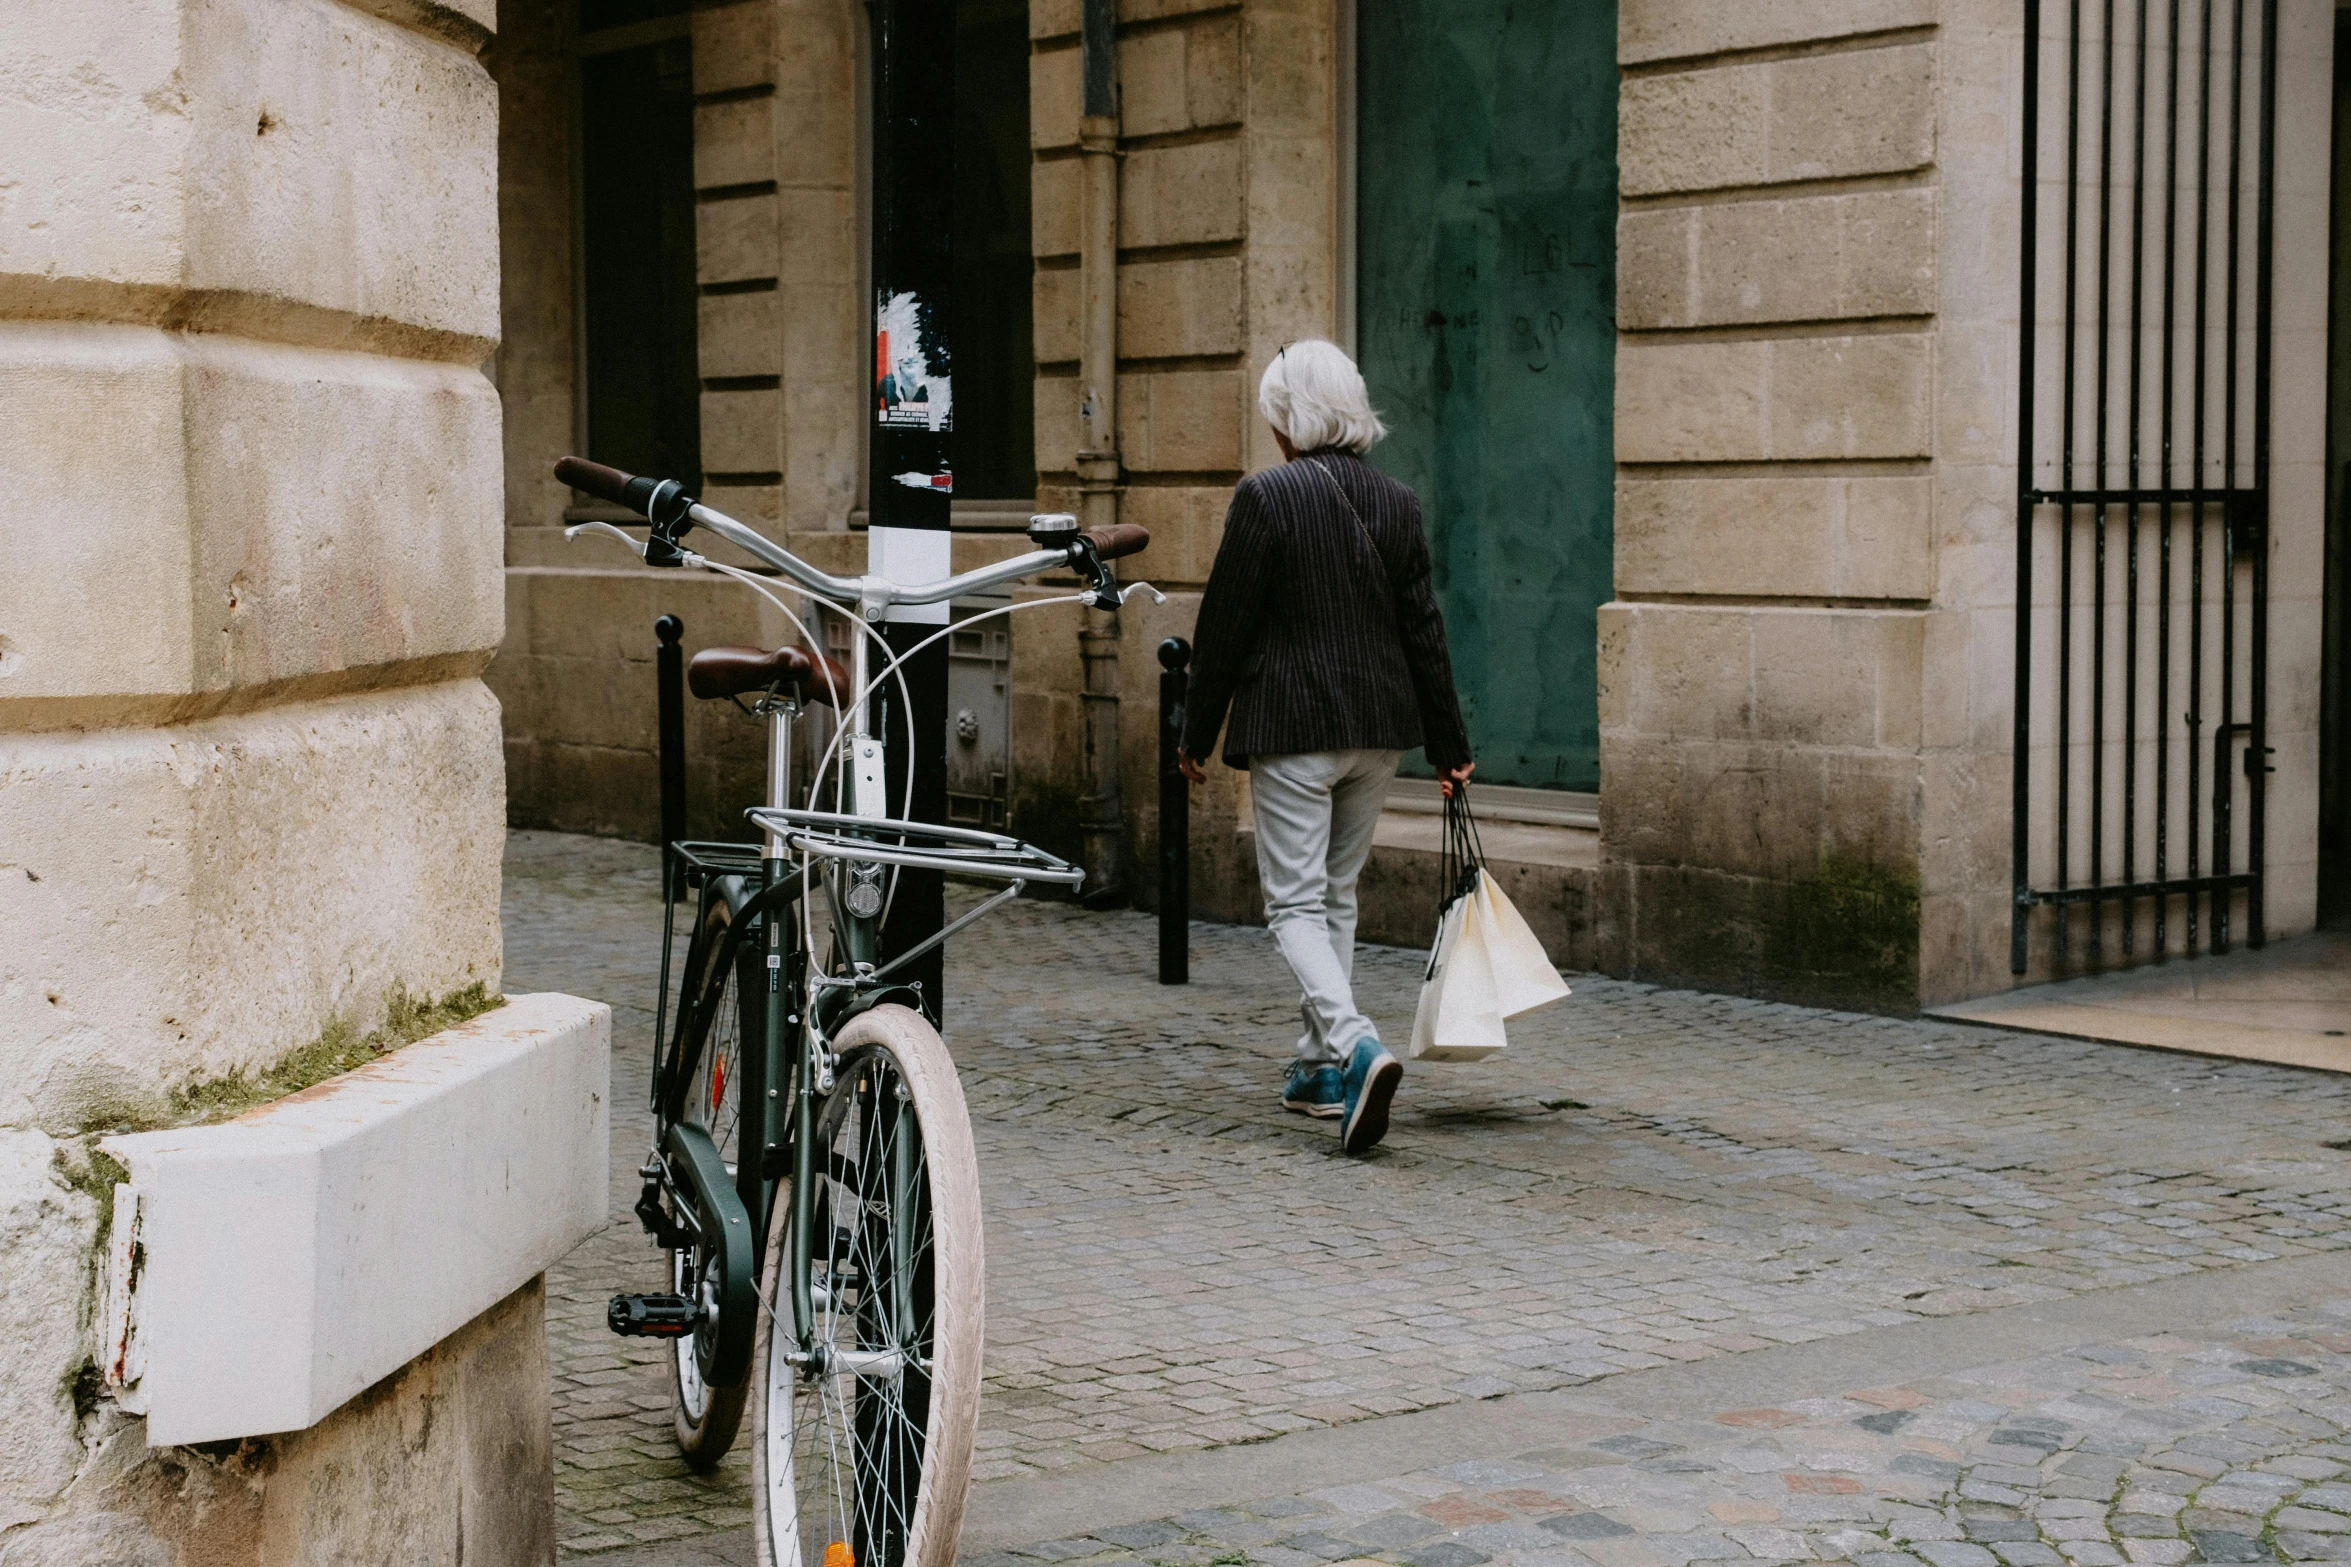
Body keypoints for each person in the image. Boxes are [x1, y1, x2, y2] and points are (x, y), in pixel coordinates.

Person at [1176, 339, 1473, 1156]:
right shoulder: (1397, 501)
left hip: (1296, 727)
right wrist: (1450, 744)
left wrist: (1193, 730)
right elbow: (1422, 627)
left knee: (1295, 904)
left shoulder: (1265, 497)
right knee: (1335, 895)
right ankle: (1317, 1068)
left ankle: (1354, 1045)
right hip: (1377, 731)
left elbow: (1226, 623)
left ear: (1287, 420)